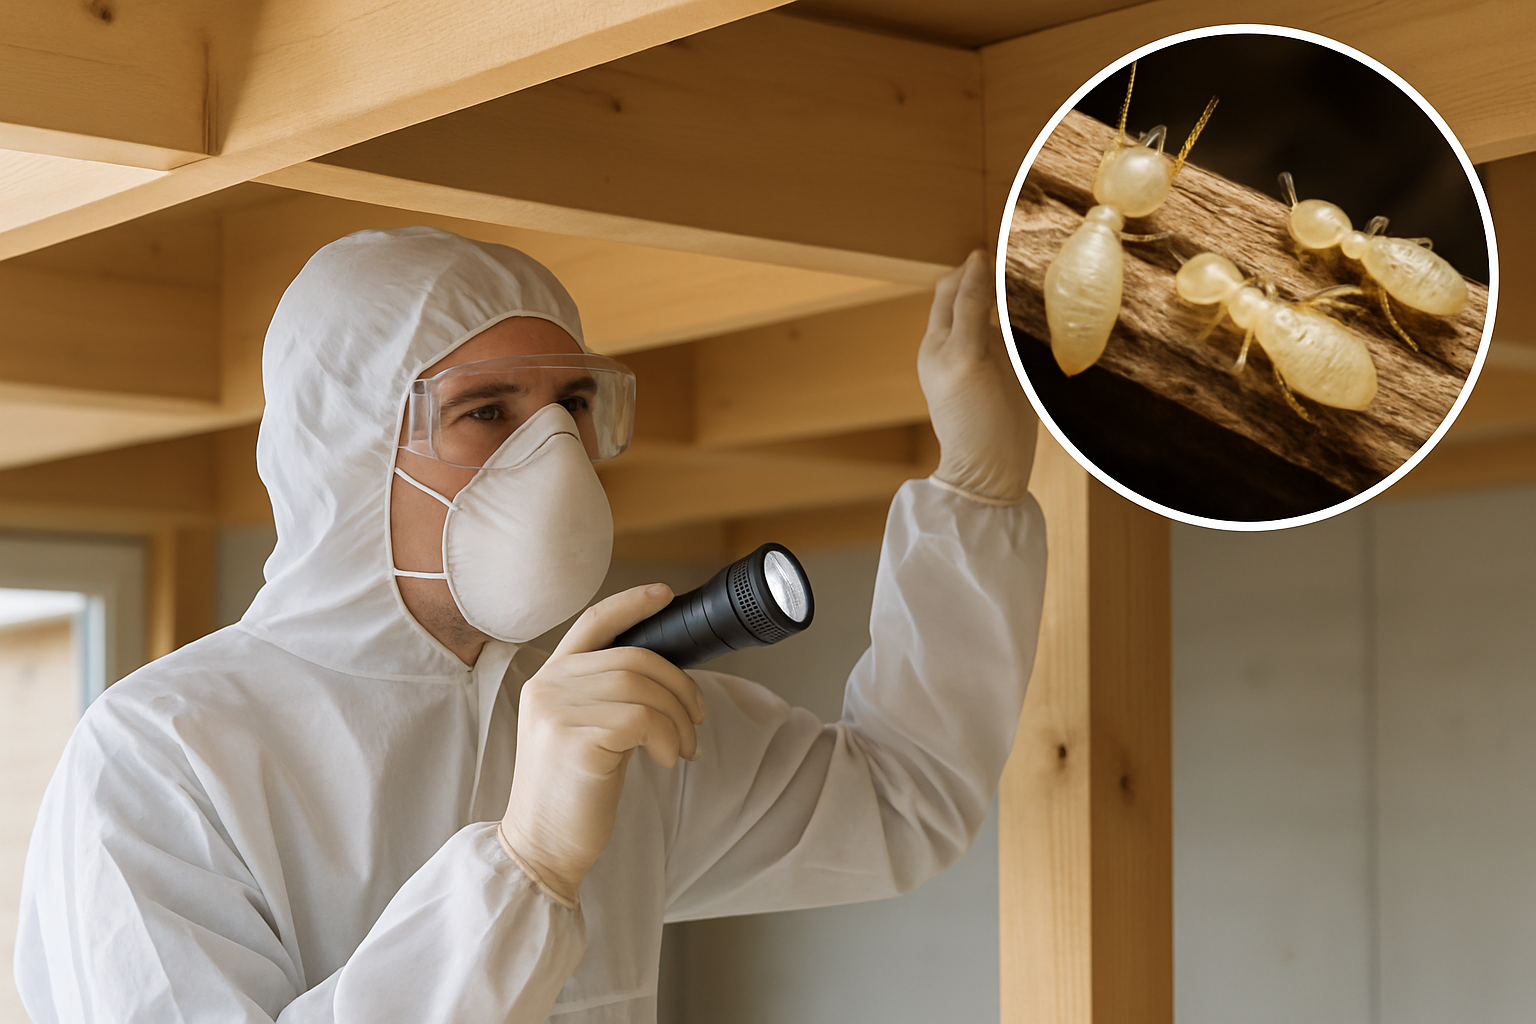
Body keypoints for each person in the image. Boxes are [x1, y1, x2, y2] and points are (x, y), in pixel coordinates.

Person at [15, 227, 1046, 1023]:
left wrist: (978, 489)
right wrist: (527, 862)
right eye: (491, 411)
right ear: (354, 451)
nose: (555, 450)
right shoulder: (165, 753)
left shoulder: (605, 716)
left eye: (577, 404)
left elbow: (902, 803)